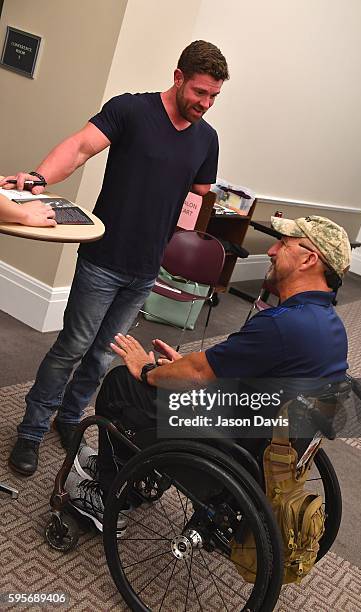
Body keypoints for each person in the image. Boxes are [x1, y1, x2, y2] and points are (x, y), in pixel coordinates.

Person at [2, 40, 230, 476]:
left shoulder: (207, 139)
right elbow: (81, 146)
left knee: (104, 355)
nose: (206, 103)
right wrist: (39, 176)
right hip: (104, 258)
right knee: (72, 346)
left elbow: (200, 195)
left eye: (214, 96)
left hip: (146, 267)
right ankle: (31, 430)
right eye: (200, 92)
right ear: (178, 76)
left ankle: (70, 418)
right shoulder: (131, 110)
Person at [65, 215, 352, 534]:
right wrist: (184, 372)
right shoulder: (331, 327)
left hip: (229, 450)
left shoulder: (283, 325)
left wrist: (149, 371)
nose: (271, 250)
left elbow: (202, 373)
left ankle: (109, 496)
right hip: (266, 445)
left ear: (309, 258)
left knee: (122, 383)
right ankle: (126, 470)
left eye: (283, 244)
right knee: (175, 378)